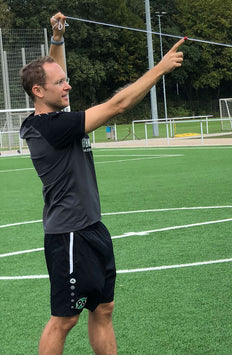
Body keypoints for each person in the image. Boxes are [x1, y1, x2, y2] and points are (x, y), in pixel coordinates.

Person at [20, 12, 185, 355]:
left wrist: (58, 38)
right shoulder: (50, 129)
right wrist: (160, 68)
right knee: (64, 320)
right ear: (38, 91)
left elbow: (54, 71)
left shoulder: (55, 116)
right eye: (60, 83)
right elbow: (118, 105)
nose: (68, 86)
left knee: (104, 309)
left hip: (93, 228)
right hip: (68, 235)